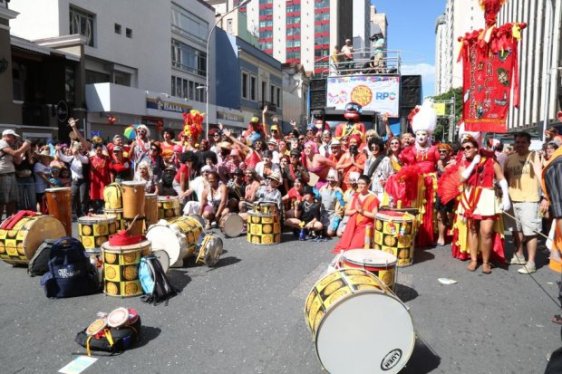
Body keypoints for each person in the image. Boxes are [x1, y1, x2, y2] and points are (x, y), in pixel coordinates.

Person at [450, 135, 511, 273]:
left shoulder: (491, 160)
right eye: (463, 148)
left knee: (487, 232)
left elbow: (501, 178)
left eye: (468, 147)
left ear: (476, 148)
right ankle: (474, 260)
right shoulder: (463, 162)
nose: (465, 150)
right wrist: (473, 163)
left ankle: (486, 261)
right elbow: (462, 178)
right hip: (470, 198)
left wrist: (506, 196)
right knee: (472, 229)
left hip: (487, 197)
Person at [503, 132, 543, 274]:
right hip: (513, 199)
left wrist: (545, 197)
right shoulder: (509, 159)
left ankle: (531, 262)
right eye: (517, 142)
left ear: (529, 143)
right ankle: (519, 255)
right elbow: (505, 178)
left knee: (531, 232)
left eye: (523, 142)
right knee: (516, 230)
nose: (520, 145)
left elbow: (540, 175)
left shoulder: (535, 156)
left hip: (530, 200)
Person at [333, 175, 379, 251]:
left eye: (363, 184)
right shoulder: (355, 196)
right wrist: (356, 210)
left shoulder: (372, 198)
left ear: (368, 185)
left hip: (365, 226)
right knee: (346, 246)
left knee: (353, 248)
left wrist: (361, 211)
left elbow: (375, 215)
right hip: (353, 225)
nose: (360, 186)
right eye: (359, 183)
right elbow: (347, 212)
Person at [0, 129, 31, 217]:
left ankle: (8, 221)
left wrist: (24, 150)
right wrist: (24, 146)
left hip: (11, 174)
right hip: (3, 174)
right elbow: (14, 153)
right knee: (2, 201)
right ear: (7, 136)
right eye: (13, 137)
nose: (14, 139)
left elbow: (18, 161)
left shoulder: (9, 146)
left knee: (12, 200)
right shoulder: (2, 142)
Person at [56, 141, 89, 218]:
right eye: (76, 150)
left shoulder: (85, 158)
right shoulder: (72, 158)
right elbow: (63, 157)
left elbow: (84, 160)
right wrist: (58, 150)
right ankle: (73, 213)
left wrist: (77, 153)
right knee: (73, 197)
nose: (75, 152)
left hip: (83, 181)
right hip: (74, 181)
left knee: (82, 198)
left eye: (79, 150)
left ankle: (83, 213)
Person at [435, 143, 455, 246]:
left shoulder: (452, 162)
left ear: (449, 152)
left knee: (450, 215)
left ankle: (452, 236)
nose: (442, 153)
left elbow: (445, 174)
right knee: (440, 215)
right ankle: (441, 236)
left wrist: (440, 166)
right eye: (440, 151)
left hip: (450, 192)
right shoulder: (439, 161)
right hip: (440, 191)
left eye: (444, 151)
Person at [318, 169, 345, 238]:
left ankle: (339, 225)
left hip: (334, 215)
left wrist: (337, 218)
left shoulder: (338, 191)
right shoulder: (322, 188)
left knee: (329, 233)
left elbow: (341, 205)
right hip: (323, 214)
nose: (330, 181)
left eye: (332, 180)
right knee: (318, 228)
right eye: (329, 179)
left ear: (335, 180)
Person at [89, 142, 111, 213]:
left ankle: (102, 207)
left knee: (103, 193)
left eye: (100, 150)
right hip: (94, 179)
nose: (99, 152)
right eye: (97, 150)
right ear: (95, 150)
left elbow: (109, 168)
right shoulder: (91, 159)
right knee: (95, 193)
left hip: (103, 179)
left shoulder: (106, 158)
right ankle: (95, 208)